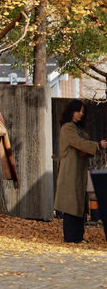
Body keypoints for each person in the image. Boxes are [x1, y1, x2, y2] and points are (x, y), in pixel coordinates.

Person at [54, 99, 107, 243]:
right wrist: (98, 145)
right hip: (70, 171)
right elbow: (78, 143)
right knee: (70, 203)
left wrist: (87, 151)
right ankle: (71, 237)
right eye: (79, 111)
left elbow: (82, 146)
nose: (81, 114)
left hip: (80, 171)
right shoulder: (67, 128)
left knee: (80, 204)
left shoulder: (80, 130)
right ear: (72, 111)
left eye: (83, 111)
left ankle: (78, 236)